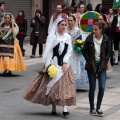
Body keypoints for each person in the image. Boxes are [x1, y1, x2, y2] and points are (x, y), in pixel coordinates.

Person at [23, 18, 76, 116]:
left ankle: (64, 108)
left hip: (64, 65)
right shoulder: (52, 37)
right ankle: (54, 107)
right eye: (62, 25)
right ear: (57, 26)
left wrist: (65, 62)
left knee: (64, 86)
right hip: (54, 63)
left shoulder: (67, 37)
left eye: (65, 25)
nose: (64, 27)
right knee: (54, 86)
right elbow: (48, 52)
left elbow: (69, 51)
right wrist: (49, 65)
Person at [82, 22, 111, 117]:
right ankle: (92, 108)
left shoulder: (106, 39)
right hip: (92, 66)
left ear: (101, 30)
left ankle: (98, 107)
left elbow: (108, 51)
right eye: (93, 29)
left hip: (102, 66)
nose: (94, 31)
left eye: (96, 30)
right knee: (92, 88)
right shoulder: (90, 38)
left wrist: (105, 60)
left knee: (102, 87)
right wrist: (89, 60)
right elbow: (84, 50)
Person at [66, 15, 89, 89]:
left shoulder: (77, 30)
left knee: (76, 67)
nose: (69, 22)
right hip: (66, 50)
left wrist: (77, 45)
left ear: (74, 21)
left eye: (71, 21)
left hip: (74, 51)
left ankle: (76, 84)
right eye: (68, 20)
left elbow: (79, 41)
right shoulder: (65, 29)